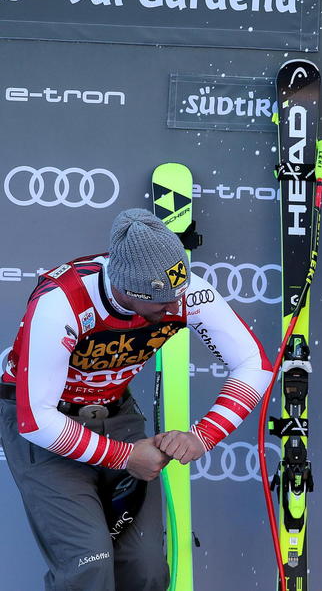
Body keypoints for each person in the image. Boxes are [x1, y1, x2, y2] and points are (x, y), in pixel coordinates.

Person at [0, 208, 274, 590]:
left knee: (146, 569)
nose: (178, 308)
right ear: (128, 290)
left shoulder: (177, 289)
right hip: (48, 431)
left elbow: (253, 363)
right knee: (88, 566)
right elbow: (37, 420)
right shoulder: (61, 301)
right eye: (164, 305)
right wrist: (127, 457)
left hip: (116, 414)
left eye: (181, 295)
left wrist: (203, 435)